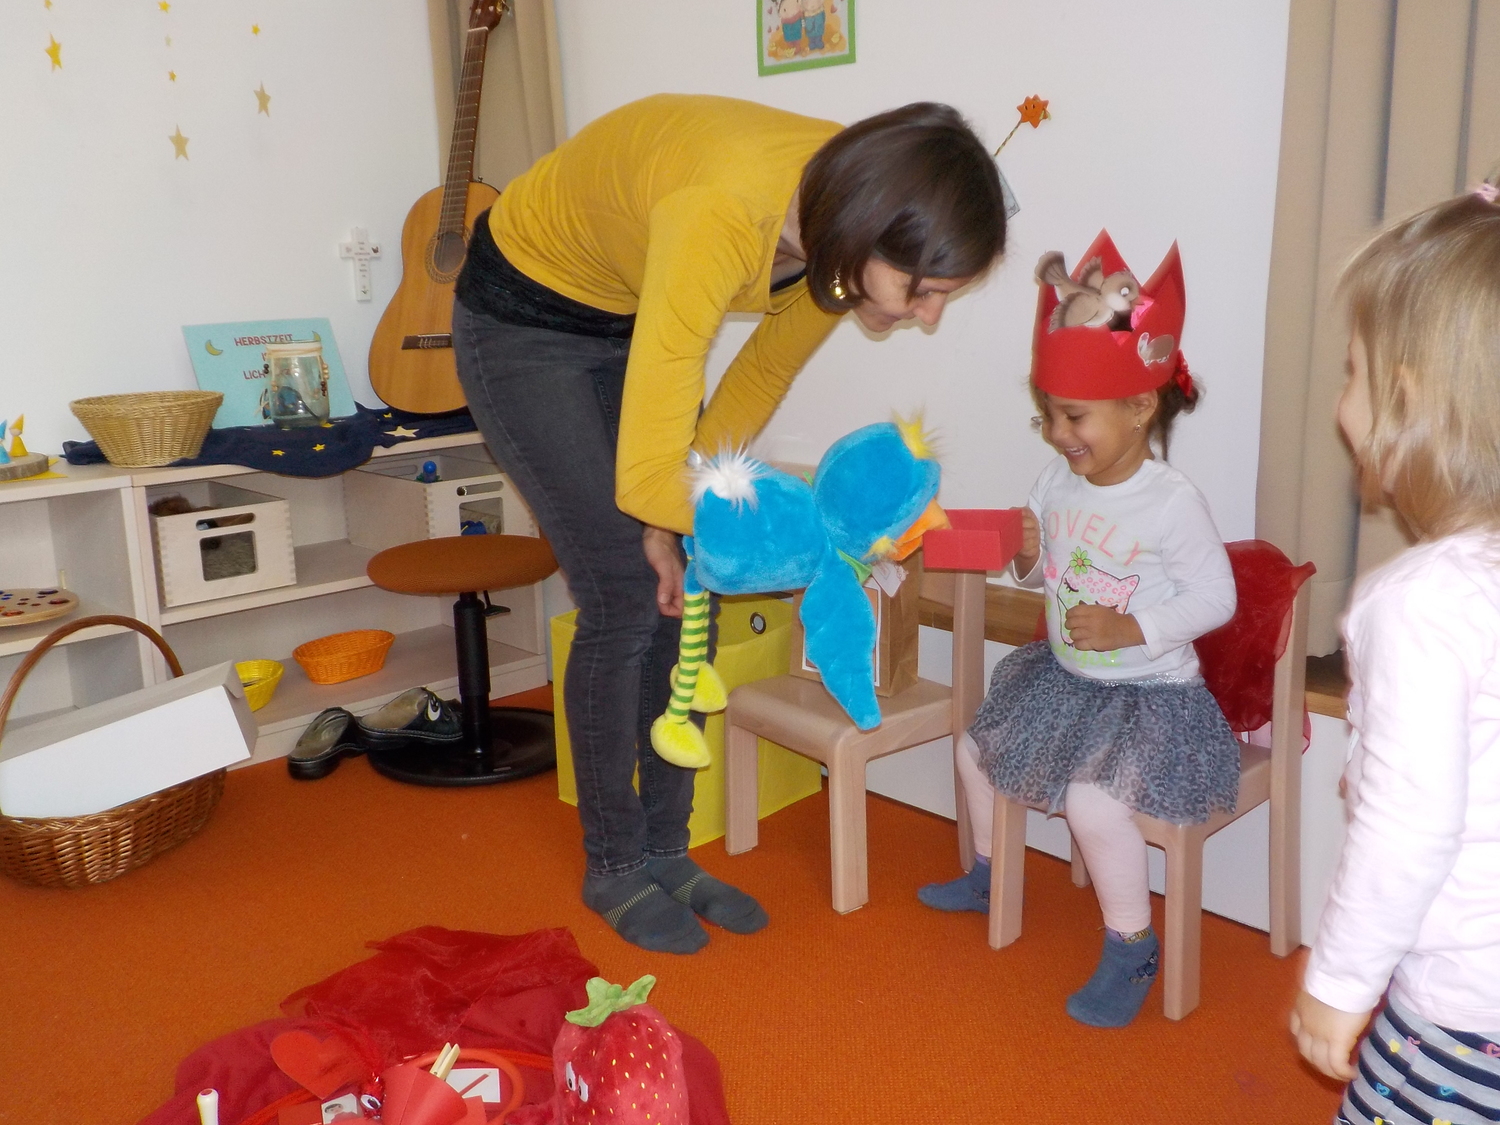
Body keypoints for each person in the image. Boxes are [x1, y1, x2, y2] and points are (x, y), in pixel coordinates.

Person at [452, 94, 1006, 955]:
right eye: (925, 291)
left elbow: (754, 384)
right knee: (622, 595)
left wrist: (682, 525)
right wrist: (787, 535)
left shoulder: (838, 223)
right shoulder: (722, 215)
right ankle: (614, 863)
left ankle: (667, 850)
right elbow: (647, 478)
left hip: (624, 311)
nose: (928, 316)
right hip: (521, 319)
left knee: (690, 578)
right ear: (871, 234)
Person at [918, 236, 1241, 1029]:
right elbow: (1045, 578)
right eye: (1050, 414)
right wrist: (1029, 557)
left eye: (1074, 416)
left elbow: (1217, 597)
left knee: (1095, 806)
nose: (1059, 434)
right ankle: (990, 872)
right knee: (974, 749)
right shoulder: (1056, 480)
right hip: (1066, 680)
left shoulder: (1170, 502)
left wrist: (1134, 624)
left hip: (1151, 698)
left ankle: (1132, 944)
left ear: (1140, 408)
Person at [1290, 183, 1500, 1123]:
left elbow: (1407, 827)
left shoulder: (1418, 604)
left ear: (1405, 400)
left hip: (1458, 1019)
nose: (1342, 400)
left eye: (1352, 373)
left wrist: (1338, 981)